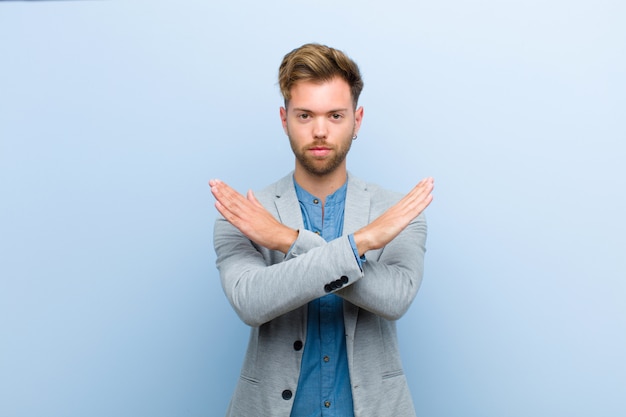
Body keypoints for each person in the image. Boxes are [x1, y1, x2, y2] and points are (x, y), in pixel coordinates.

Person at [210, 43, 434, 417]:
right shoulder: (246, 213)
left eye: (334, 115)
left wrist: (287, 240)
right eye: (304, 116)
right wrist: (362, 243)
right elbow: (251, 302)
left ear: (357, 120)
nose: (319, 131)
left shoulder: (396, 213)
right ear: (284, 120)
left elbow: (394, 298)